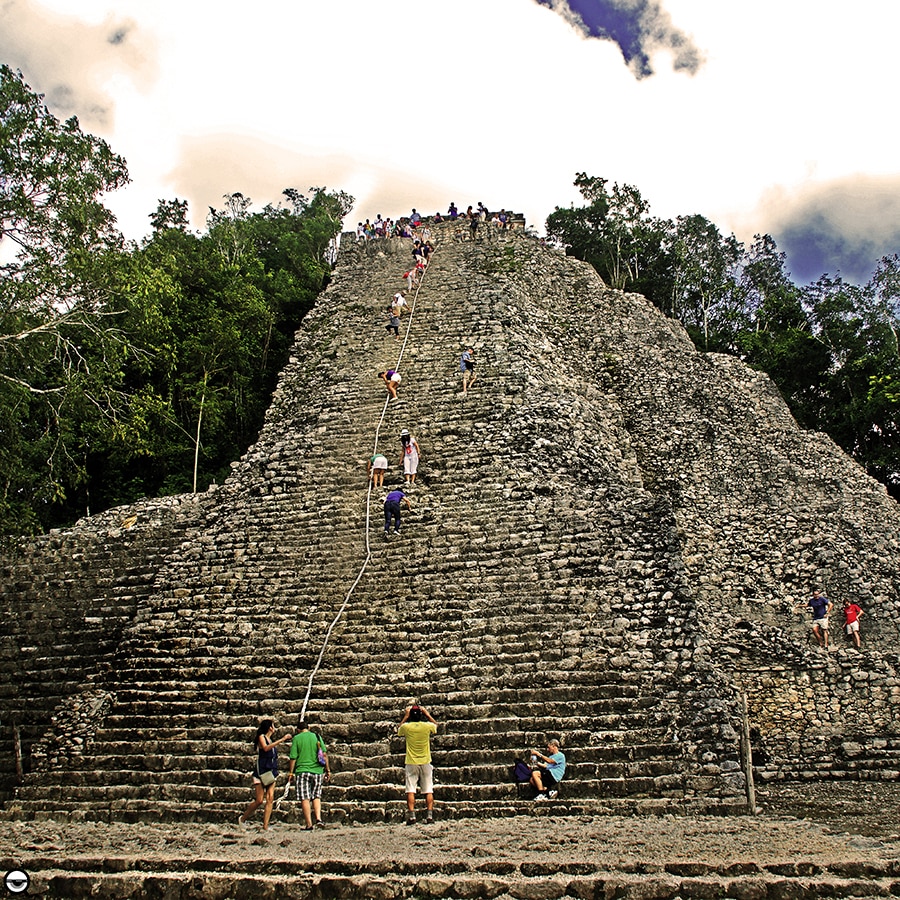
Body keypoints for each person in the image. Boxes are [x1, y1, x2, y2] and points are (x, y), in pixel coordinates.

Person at [239, 720, 292, 830]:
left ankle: (265, 826)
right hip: (261, 771)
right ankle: (242, 819)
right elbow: (266, 748)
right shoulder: (261, 737)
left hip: (271, 771)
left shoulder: (270, 739)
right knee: (259, 800)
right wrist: (282, 740)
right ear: (269, 727)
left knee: (270, 798)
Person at [398, 704, 438, 825]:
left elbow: (399, 729)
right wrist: (427, 714)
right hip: (425, 761)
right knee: (428, 789)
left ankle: (412, 816)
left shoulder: (407, 727)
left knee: (410, 789)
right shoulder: (426, 726)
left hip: (411, 762)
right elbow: (436, 725)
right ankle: (429, 816)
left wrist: (405, 716)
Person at [288, 721, 331, 830]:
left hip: (302, 770)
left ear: (298, 730)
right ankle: (318, 819)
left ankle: (309, 824)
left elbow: (293, 757)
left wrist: (291, 772)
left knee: (305, 797)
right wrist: (328, 770)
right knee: (316, 796)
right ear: (308, 727)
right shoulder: (316, 736)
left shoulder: (297, 738)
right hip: (317, 770)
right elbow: (324, 754)